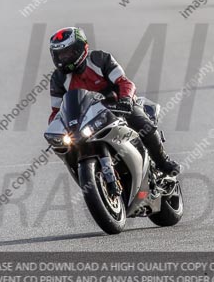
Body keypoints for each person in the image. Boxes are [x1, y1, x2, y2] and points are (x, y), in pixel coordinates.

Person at [48, 27, 180, 176]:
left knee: (144, 126)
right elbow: (57, 111)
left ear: (81, 48)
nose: (64, 58)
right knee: (70, 148)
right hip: (86, 118)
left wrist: (125, 99)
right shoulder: (57, 79)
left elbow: (124, 82)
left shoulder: (99, 59)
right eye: (60, 54)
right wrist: (56, 130)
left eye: (68, 52)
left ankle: (163, 162)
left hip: (118, 106)